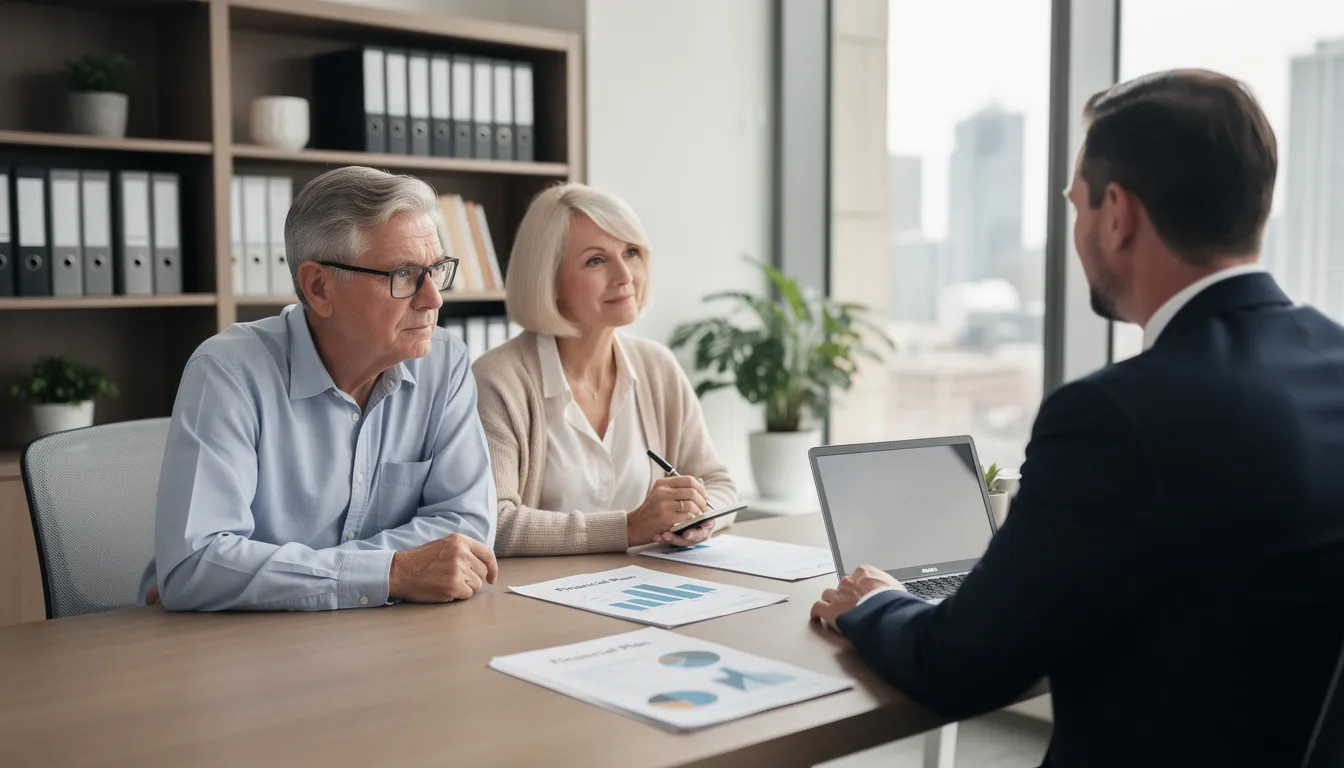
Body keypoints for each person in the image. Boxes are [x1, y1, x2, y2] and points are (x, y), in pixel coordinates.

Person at [811, 69, 1344, 766]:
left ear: (1116, 213)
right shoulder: (1331, 362)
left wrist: (874, 602)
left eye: (1076, 204)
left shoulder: (1115, 417)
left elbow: (961, 667)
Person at [141, 166, 498, 611]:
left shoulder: (444, 362)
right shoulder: (227, 371)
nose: (434, 299)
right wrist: (393, 573)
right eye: (405, 275)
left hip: (384, 637)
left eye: (436, 270)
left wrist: (284, 576)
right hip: (237, 650)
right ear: (318, 287)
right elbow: (196, 566)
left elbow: (467, 530)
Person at [473, 183, 737, 556]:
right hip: (536, 604)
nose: (625, 276)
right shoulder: (497, 380)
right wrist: (628, 527)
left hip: (647, 591)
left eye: (631, 252)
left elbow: (718, 483)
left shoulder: (657, 367)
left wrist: (698, 519)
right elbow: (495, 524)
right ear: (548, 280)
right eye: (596, 260)